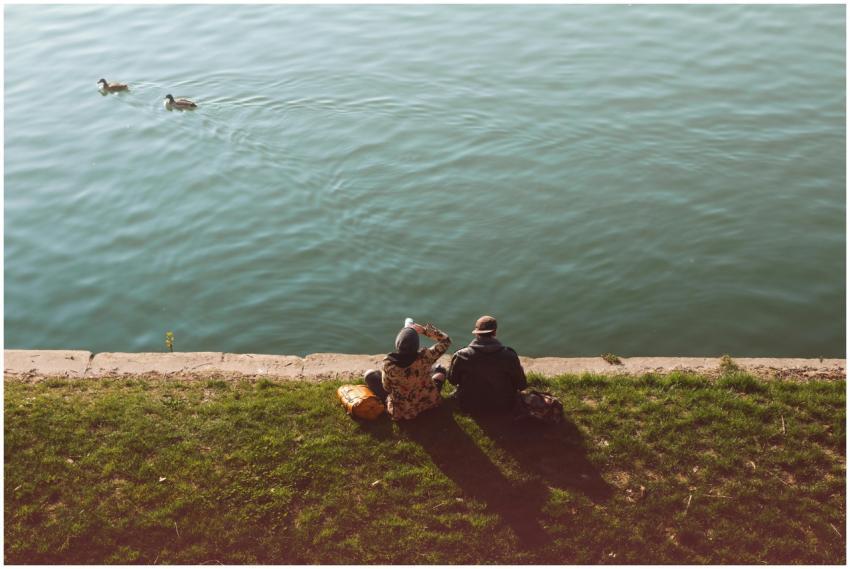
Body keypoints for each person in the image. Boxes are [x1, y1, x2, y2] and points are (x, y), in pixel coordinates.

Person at [363, 320, 451, 420]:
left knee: (369, 375)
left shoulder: (389, 365)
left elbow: (387, 388)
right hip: (428, 402)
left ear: (397, 344)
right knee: (440, 370)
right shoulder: (426, 357)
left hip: (403, 411)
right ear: (416, 345)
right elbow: (446, 341)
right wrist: (424, 331)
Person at [448, 315, 527, 413]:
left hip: (470, 406)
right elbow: (522, 385)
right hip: (504, 406)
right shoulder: (509, 355)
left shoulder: (461, 355)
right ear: (495, 332)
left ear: (476, 333)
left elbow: (452, 380)